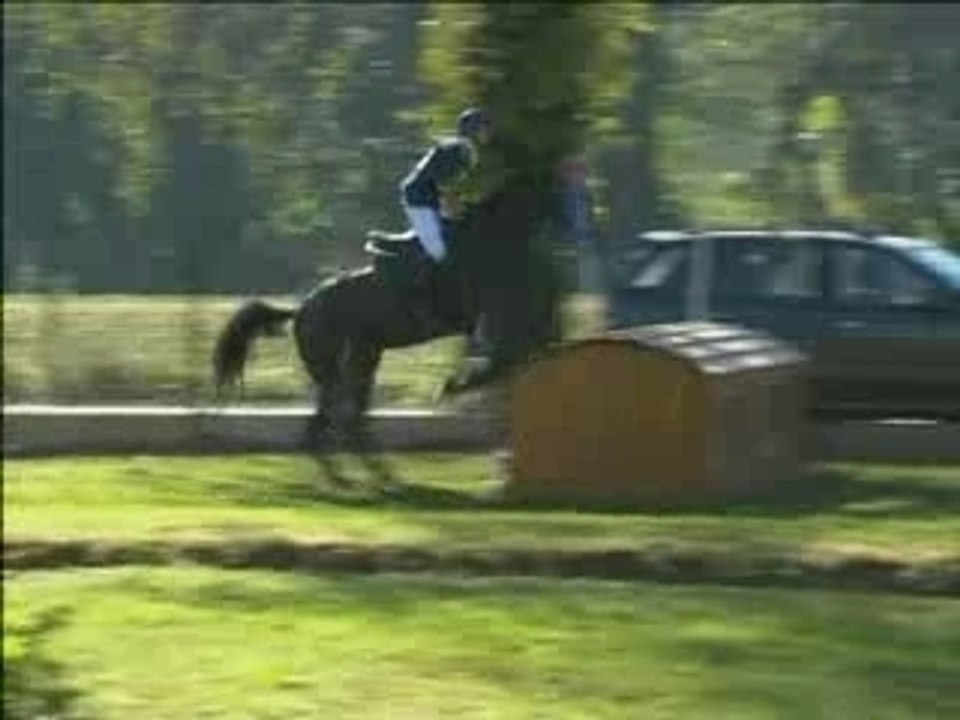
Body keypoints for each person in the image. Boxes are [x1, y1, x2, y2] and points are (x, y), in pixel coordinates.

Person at [399, 108, 492, 297]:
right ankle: (417, 293)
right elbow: (445, 186)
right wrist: (457, 208)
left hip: (429, 200)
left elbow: (455, 189)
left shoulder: (465, 149)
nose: (486, 133)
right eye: (482, 128)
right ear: (473, 130)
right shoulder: (458, 149)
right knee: (438, 251)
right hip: (419, 200)